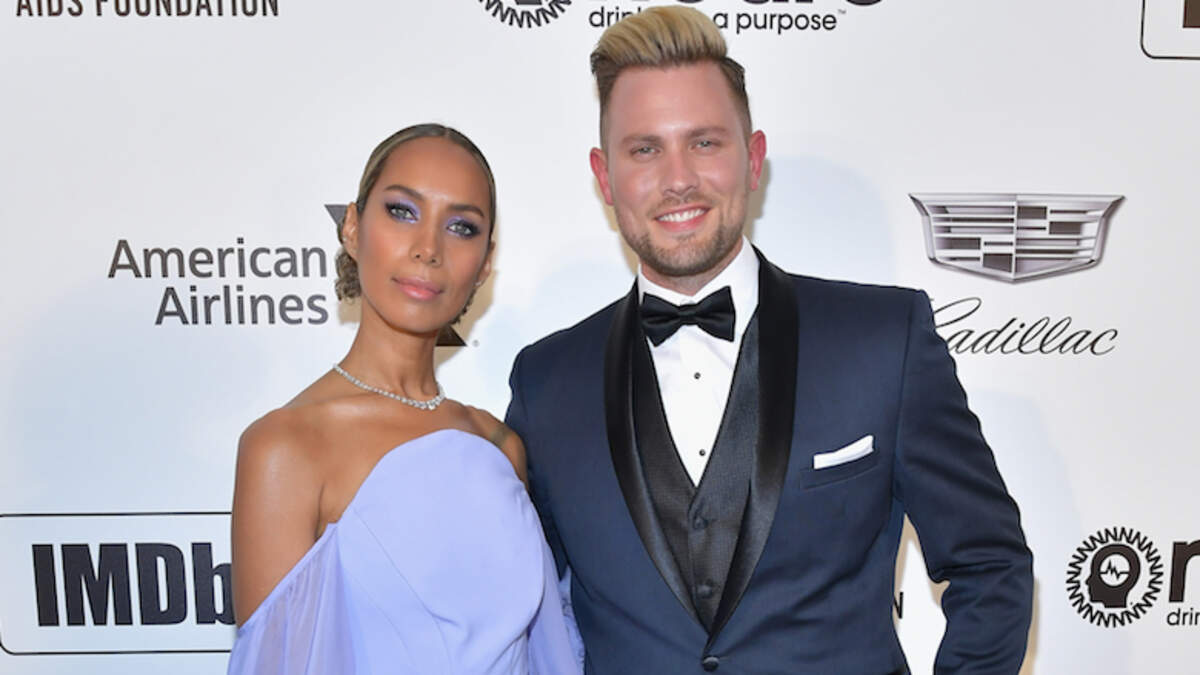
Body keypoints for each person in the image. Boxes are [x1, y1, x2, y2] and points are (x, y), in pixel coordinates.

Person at [505, 8, 1034, 674]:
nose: (678, 178)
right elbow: (516, 611)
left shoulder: (883, 342)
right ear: (604, 176)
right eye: (644, 149)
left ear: (753, 159)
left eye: (704, 142)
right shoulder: (546, 383)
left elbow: (991, 565)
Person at [228, 124, 581, 674]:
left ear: (485, 264)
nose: (428, 249)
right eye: (402, 212)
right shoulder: (285, 447)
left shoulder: (499, 445)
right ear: (352, 227)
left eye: (461, 227)